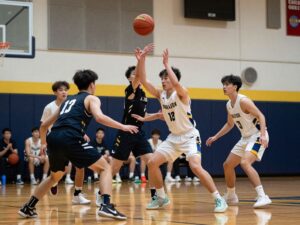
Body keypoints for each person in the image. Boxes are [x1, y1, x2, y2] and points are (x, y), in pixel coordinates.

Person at [19, 69, 138, 220]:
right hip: (71, 137)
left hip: (53, 138)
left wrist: (44, 144)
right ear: (92, 84)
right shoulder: (91, 99)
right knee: (105, 167)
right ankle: (106, 205)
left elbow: (43, 126)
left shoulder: (66, 101)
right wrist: (123, 126)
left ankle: (28, 207)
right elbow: (100, 118)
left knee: (54, 177)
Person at [134, 45, 228, 212]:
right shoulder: (161, 95)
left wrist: (166, 64)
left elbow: (176, 83)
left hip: (190, 136)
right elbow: (142, 79)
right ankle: (161, 197)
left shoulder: (182, 93)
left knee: (195, 167)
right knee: (152, 163)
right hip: (173, 137)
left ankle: (219, 199)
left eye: (165, 78)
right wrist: (142, 60)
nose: (163, 81)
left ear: (173, 78)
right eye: (162, 78)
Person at [206, 74, 272, 208]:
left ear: (235, 87)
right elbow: (229, 124)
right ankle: (231, 195)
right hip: (245, 138)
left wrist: (263, 135)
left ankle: (262, 196)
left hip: (257, 135)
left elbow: (261, 115)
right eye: (223, 84)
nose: (224, 87)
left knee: (245, 162)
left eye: (227, 84)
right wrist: (216, 136)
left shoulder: (243, 101)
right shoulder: (228, 105)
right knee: (227, 165)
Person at [106, 63, 154, 206]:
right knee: (114, 168)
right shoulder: (129, 90)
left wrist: (157, 115)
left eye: (136, 73)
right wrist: (141, 60)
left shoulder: (144, 94)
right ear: (129, 78)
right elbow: (139, 76)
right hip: (126, 132)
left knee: (152, 163)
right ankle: (101, 194)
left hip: (139, 132)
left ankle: (155, 196)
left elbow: (143, 115)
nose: (136, 75)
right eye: (133, 74)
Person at [40, 81, 90, 205]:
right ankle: (55, 182)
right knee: (57, 174)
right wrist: (43, 143)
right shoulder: (49, 107)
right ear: (55, 92)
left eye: (66, 90)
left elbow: (75, 123)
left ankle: (77, 193)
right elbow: (43, 126)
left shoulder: (72, 104)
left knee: (80, 166)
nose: (64, 92)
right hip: (56, 140)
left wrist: (82, 133)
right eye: (61, 90)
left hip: (71, 138)